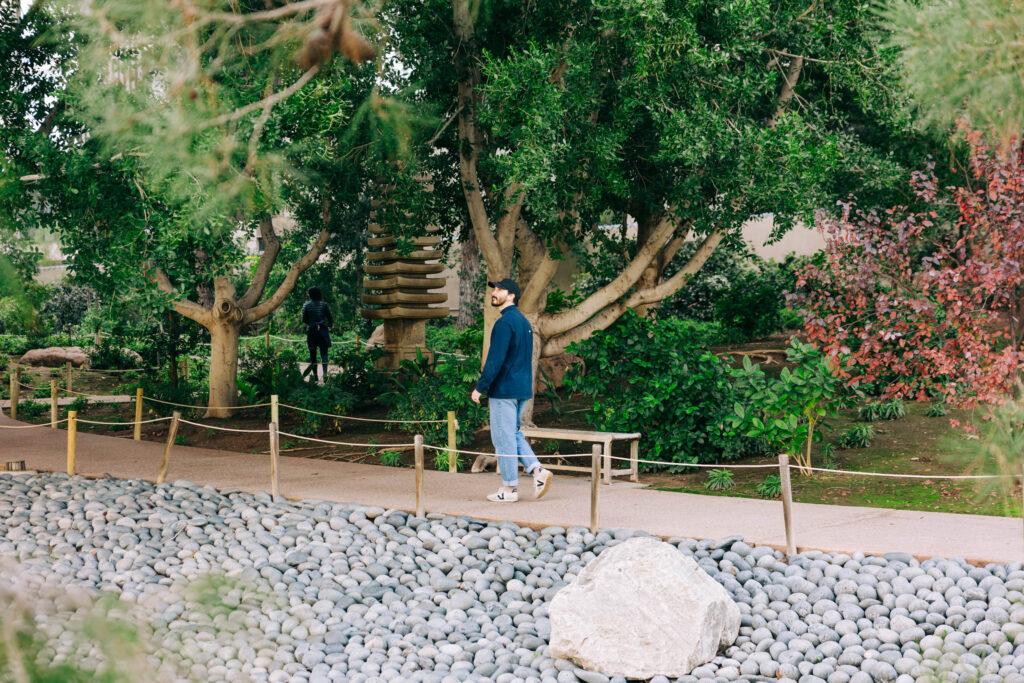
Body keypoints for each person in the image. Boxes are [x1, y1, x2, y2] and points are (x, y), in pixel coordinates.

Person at [471, 278, 553, 503]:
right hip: (521, 389)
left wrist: (481, 387)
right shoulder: (523, 322)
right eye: (494, 289)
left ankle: (509, 489)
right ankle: (537, 471)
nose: (494, 292)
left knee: (502, 438)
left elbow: (495, 359)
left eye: (500, 289)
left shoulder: (505, 323)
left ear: (512, 295)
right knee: (513, 434)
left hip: (504, 389)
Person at [302, 286, 333, 382]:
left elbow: (304, 320)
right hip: (323, 331)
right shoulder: (324, 305)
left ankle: (315, 376)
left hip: (312, 331)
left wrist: (312, 323)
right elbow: (330, 318)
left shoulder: (306, 305)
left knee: (313, 354)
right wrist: (329, 327)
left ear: (310, 295)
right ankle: (325, 376)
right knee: (324, 354)